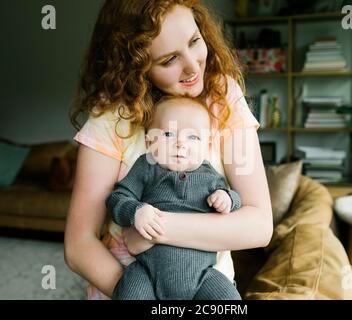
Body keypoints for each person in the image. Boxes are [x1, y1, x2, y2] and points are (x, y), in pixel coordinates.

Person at [65, 0, 273, 300]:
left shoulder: (223, 96)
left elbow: (258, 226)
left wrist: (152, 231)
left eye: (194, 41)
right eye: (169, 59)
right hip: (128, 288)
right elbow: (78, 246)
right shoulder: (111, 116)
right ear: (135, 66)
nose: (192, 65)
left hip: (205, 290)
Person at [108, 96, 242, 300]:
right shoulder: (147, 166)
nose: (180, 143)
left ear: (206, 146)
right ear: (149, 141)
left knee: (229, 300)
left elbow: (236, 202)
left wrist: (227, 198)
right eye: (169, 134)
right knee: (129, 294)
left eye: (193, 137)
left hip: (203, 277)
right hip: (148, 273)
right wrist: (137, 211)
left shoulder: (211, 177)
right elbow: (117, 198)